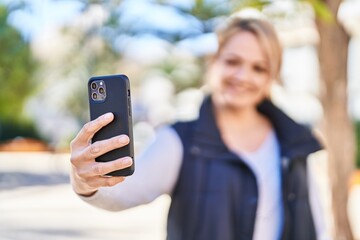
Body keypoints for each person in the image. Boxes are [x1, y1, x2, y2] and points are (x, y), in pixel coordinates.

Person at [70, 14, 331, 240]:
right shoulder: (180, 140)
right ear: (214, 61)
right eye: (233, 62)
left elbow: (317, 226)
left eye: (258, 68)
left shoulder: (294, 141)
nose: (243, 76)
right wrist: (84, 179)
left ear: (271, 76)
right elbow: (120, 194)